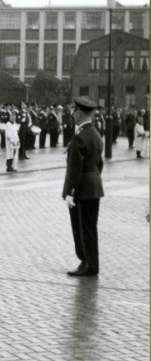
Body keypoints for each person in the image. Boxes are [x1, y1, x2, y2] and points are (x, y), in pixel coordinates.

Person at [62, 97, 104, 277]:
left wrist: (70, 192)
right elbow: (99, 164)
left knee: (80, 227)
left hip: (82, 190)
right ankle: (91, 264)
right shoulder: (95, 134)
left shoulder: (80, 137)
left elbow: (74, 169)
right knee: (90, 227)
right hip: (94, 187)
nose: (73, 115)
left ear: (79, 113)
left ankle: (86, 263)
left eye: (74, 112)